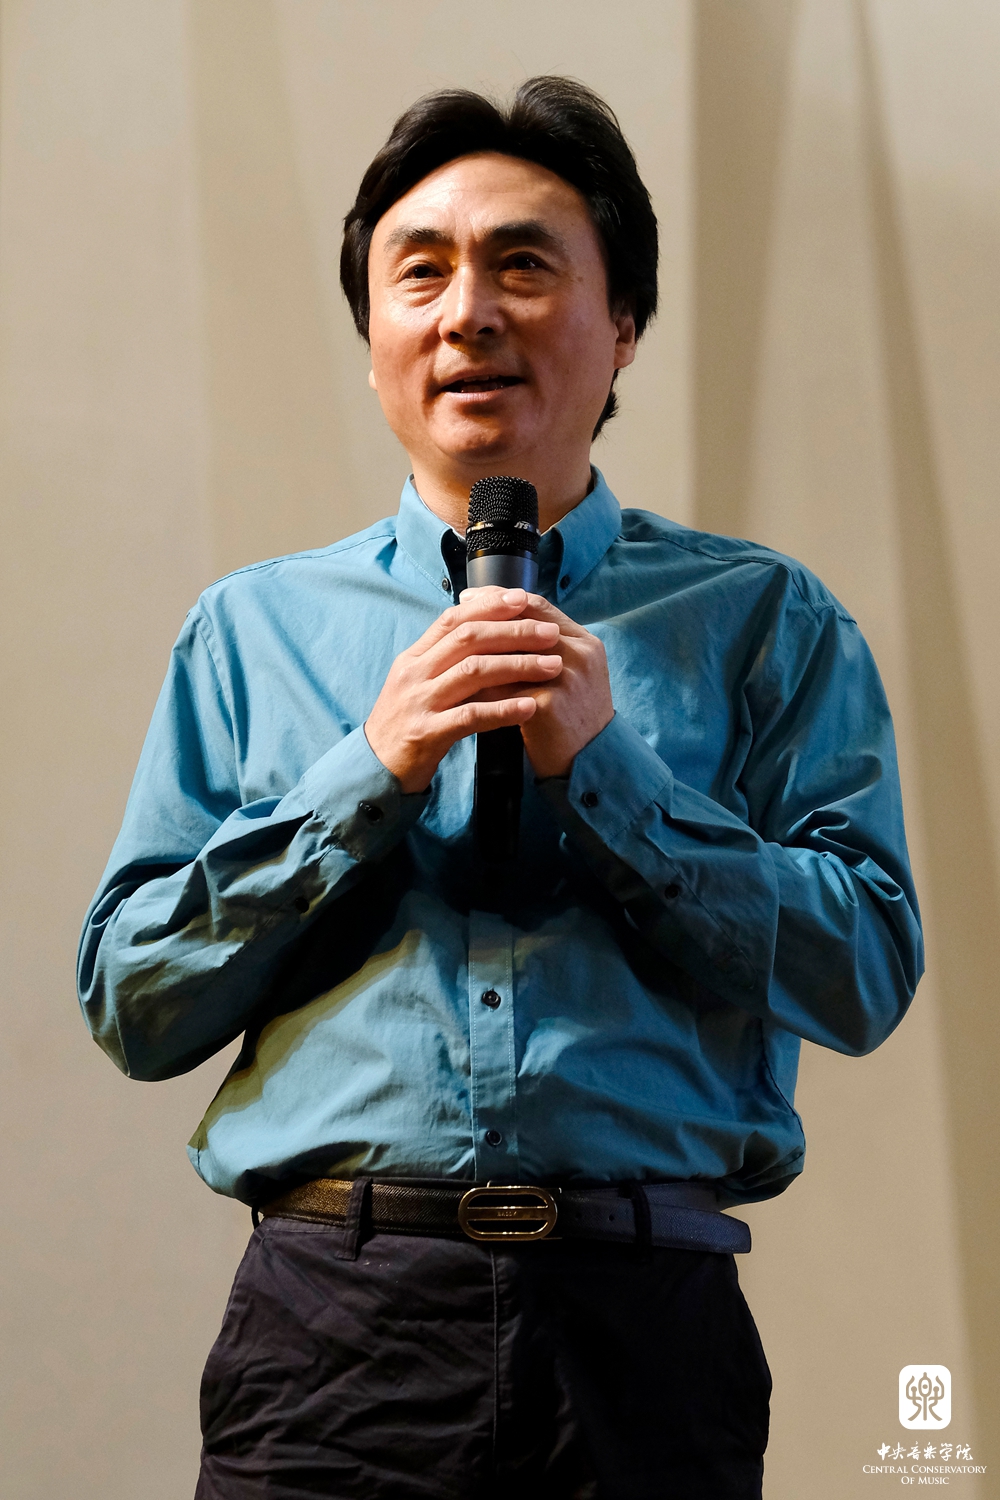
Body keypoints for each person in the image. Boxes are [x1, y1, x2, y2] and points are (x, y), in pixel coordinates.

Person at [78, 77, 923, 1499]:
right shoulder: (248, 632)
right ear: (374, 339)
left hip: (646, 1331)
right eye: (420, 272)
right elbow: (133, 1002)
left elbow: (866, 972)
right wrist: (370, 772)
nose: (468, 312)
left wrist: (611, 776)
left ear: (625, 324)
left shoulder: (765, 621)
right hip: (333, 1334)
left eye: (524, 265)